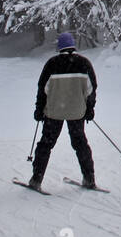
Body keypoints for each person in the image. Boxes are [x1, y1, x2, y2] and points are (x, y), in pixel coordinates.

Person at [29, 32, 98, 190]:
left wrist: (39, 110)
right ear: (73, 45)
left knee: (46, 144)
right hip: (77, 112)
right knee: (80, 144)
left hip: (54, 112)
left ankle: (36, 179)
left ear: (59, 47)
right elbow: (91, 89)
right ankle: (89, 178)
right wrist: (90, 109)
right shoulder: (84, 63)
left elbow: (42, 89)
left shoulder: (52, 64)